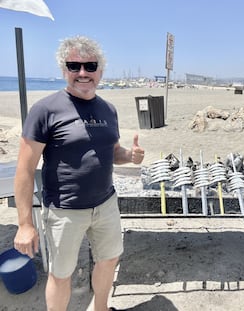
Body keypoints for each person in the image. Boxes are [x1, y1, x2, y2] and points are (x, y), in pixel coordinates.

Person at [13, 35, 145, 311]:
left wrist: (129, 157)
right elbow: (25, 169)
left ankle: (100, 308)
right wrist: (25, 223)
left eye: (90, 66)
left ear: (100, 71)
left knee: (109, 260)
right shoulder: (45, 110)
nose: (82, 73)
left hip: (106, 204)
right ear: (64, 70)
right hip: (64, 211)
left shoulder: (108, 109)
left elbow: (113, 153)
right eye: (74, 66)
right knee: (61, 274)